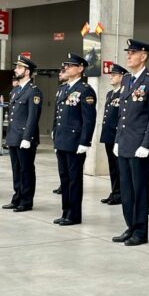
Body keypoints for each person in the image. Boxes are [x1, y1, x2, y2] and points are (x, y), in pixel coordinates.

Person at [112, 39, 149, 246]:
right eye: (128, 52)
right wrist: (117, 140)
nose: (129, 56)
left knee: (139, 189)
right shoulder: (126, 80)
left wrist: (146, 144)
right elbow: (122, 115)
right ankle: (130, 226)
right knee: (126, 189)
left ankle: (140, 231)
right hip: (124, 143)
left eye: (133, 53)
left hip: (140, 145)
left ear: (143, 56)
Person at [52, 53, 97, 226]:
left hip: (75, 142)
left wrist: (85, 142)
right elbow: (58, 116)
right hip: (62, 140)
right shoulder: (62, 89)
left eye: (71, 66)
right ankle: (65, 212)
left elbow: (89, 119)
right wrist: (55, 135)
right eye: (66, 65)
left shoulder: (85, 90)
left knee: (74, 180)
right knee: (64, 179)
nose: (67, 68)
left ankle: (74, 215)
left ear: (80, 69)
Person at [3, 55, 42, 212]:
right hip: (14, 136)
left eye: (19, 67)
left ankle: (26, 200)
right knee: (16, 169)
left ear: (27, 71)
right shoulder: (15, 91)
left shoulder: (33, 91)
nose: (15, 69)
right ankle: (17, 196)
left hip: (25, 138)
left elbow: (33, 117)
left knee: (26, 169)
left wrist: (27, 137)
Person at [99, 64, 128, 205]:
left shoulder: (124, 93)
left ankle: (121, 194)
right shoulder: (110, 94)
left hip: (118, 136)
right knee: (112, 166)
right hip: (108, 135)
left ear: (122, 76)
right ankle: (115, 191)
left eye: (115, 74)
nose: (111, 76)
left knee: (119, 167)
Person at [52, 66, 69, 195]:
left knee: (70, 167)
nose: (60, 74)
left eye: (63, 71)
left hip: (70, 136)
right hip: (60, 133)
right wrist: (54, 129)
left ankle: (66, 185)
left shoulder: (82, 89)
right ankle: (63, 185)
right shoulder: (61, 89)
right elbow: (56, 113)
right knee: (61, 166)